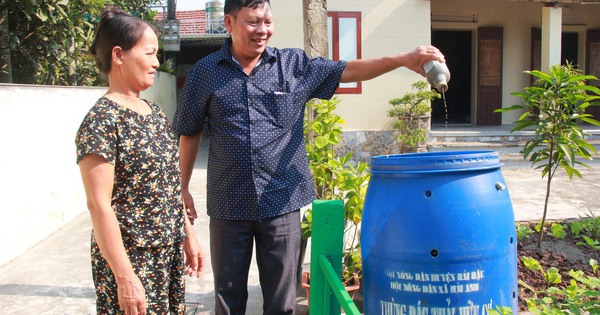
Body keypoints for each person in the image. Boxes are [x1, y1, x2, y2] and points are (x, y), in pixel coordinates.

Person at [173, 0, 445, 314]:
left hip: (281, 203)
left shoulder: (293, 66)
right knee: (228, 298)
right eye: (252, 22)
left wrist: (403, 59)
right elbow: (189, 132)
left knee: (282, 300)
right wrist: (182, 188)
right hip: (228, 203)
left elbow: (349, 69)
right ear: (229, 24)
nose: (262, 31)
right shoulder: (205, 72)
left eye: (267, 21)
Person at [75, 6, 204, 315]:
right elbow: (99, 205)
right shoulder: (101, 121)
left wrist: (188, 235)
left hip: (167, 255)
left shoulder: (155, 112)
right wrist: (125, 277)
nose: (157, 63)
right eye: (149, 54)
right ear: (119, 55)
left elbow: (170, 185)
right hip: (132, 260)